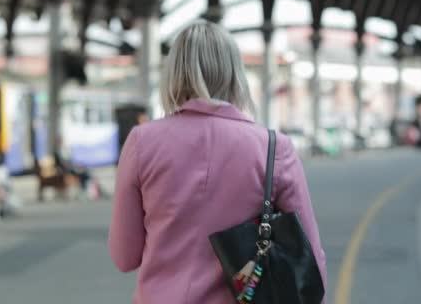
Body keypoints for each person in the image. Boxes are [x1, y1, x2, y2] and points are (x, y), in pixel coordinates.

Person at [108, 21, 327, 303]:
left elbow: (124, 257)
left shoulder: (141, 142)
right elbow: (309, 256)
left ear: (173, 74)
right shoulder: (274, 148)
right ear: (235, 74)